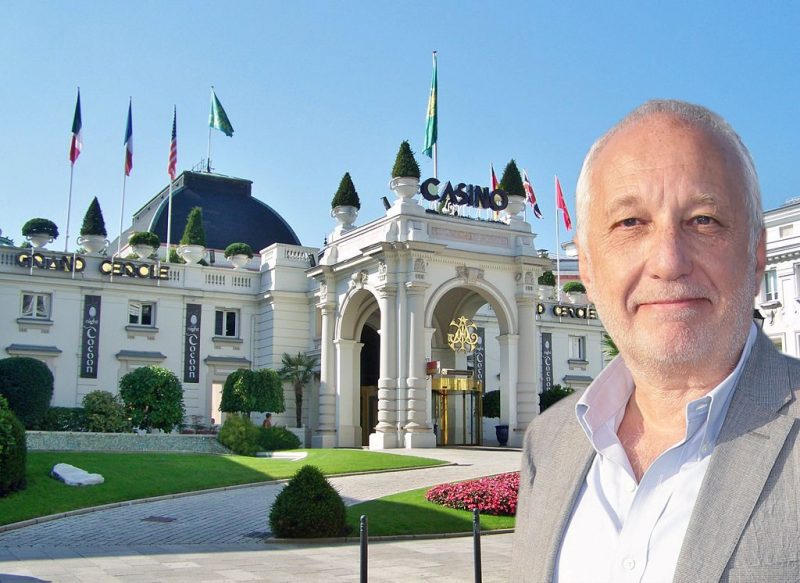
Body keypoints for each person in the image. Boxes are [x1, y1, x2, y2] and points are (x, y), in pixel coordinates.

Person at [511, 100, 799, 582]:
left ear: (756, 255)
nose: (669, 260)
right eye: (630, 223)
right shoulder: (548, 441)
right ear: (586, 265)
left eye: (704, 220)